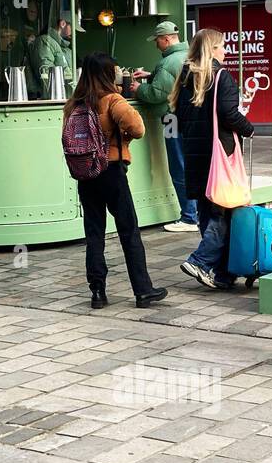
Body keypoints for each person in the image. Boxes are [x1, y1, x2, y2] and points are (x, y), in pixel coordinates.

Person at [65, 52, 167, 309]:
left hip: (86, 174)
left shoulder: (74, 104)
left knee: (94, 233)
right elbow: (138, 129)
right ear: (107, 74)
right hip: (111, 170)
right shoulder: (113, 100)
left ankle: (97, 292)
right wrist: (122, 137)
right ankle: (143, 291)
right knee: (128, 230)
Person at [171, 28, 255, 290]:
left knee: (208, 210)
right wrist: (248, 129)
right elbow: (229, 113)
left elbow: (180, 117)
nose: (225, 50)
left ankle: (221, 273)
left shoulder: (185, 78)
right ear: (211, 49)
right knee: (224, 211)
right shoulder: (221, 77)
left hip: (195, 152)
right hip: (219, 153)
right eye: (221, 46)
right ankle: (201, 260)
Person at [132, 21, 199, 233]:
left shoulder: (167, 62)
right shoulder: (189, 56)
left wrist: (137, 89)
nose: (157, 45)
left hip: (172, 120)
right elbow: (171, 81)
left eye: (158, 40)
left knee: (178, 164)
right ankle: (196, 212)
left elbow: (156, 94)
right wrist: (151, 76)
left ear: (167, 39)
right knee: (190, 163)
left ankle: (189, 217)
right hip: (190, 119)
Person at [34, 17, 74, 97]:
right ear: (62, 24)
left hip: (66, 97)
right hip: (52, 97)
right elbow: (45, 72)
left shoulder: (64, 47)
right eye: (72, 27)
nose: (74, 32)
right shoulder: (44, 41)